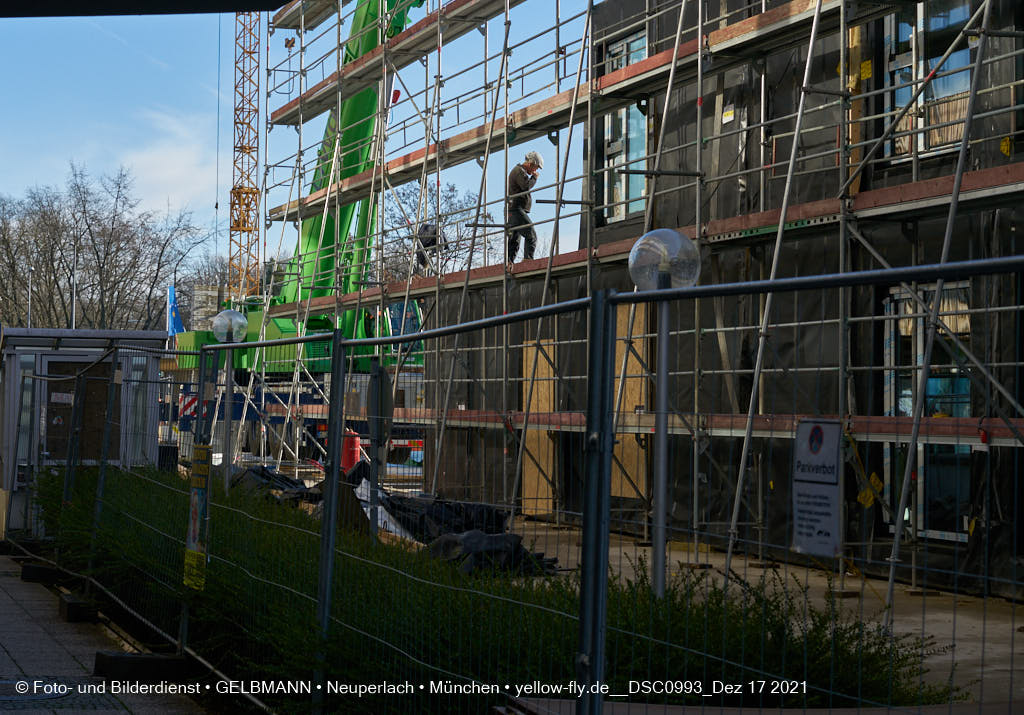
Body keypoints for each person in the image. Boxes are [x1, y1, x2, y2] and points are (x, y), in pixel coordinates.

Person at [506, 150, 543, 267]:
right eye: (536, 168)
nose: (535, 171)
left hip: (513, 210)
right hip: (516, 209)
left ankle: (509, 262)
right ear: (531, 163)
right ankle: (528, 260)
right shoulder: (519, 171)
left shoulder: (519, 171)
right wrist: (534, 178)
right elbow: (526, 186)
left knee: (514, 239)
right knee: (531, 235)